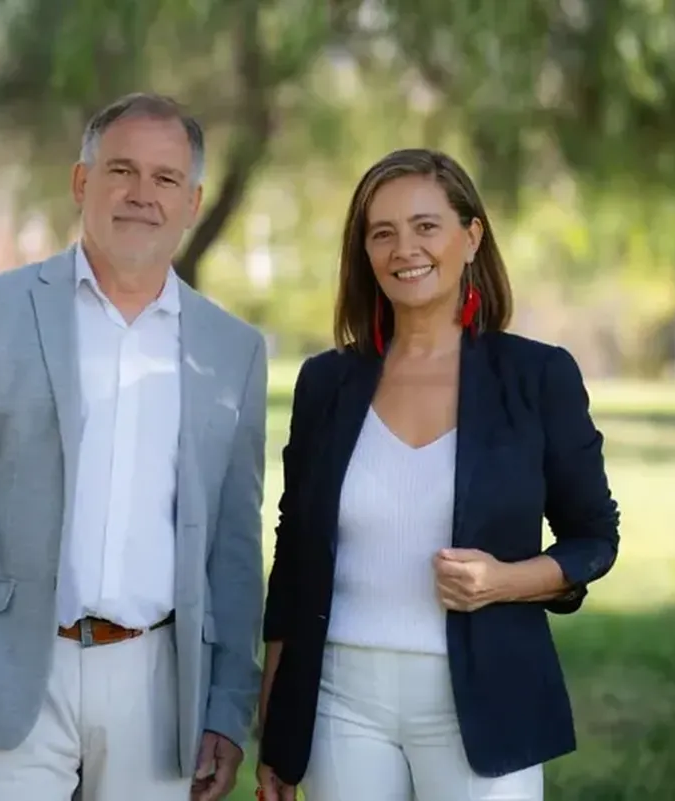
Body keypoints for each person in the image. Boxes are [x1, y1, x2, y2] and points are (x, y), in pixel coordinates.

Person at [0, 92, 268, 801]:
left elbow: (234, 546)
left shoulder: (234, 351)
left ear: (192, 202)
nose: (140, 195)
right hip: (5, 673)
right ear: (80, 183)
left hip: (158, 684)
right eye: (121, 170)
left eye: (165, 180)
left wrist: (226, 706)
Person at [254, 148, 621, 801]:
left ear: (470, 234)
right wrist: (277, 730)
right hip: (341, 702)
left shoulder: (538, 376)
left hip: (485, 699)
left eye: (426, 225)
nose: (405, 249)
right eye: (382, 232)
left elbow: (594, 538)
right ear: (364, 251)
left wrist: (506, 581)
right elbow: (294, 557)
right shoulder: (325, 383)